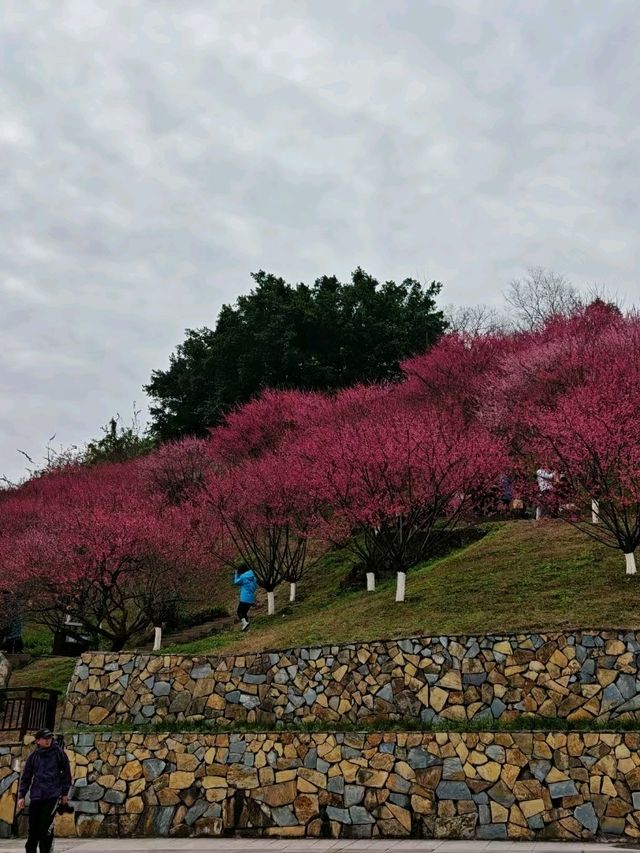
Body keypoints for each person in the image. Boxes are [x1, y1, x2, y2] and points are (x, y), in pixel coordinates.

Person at [17, 728, 72, 853]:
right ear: (38, 741)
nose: (48, 741)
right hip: (36, 796)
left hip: (52, 796)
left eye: (49, 738)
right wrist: (21, 795)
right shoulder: (33, 757)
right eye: (45, 738)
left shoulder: (59, 753)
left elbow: (66, 775)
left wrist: (64, 793)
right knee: (33, 830)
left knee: (44, 828)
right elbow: (26, 777)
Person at [233, 564, 257, 631]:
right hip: (251, 598)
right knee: (244, 613)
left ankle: (245, 623)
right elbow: (255, 587)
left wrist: (236, 574)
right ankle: (247, 628)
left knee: (239, 612)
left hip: (244, 598)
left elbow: (236, 582)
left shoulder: (243, 577)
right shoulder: (253, 577)